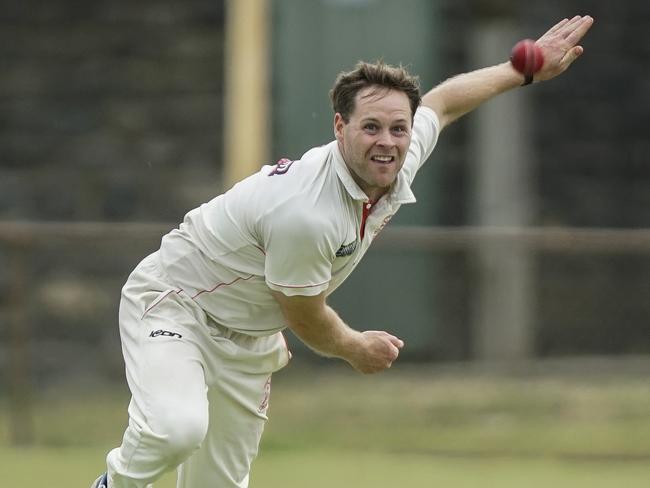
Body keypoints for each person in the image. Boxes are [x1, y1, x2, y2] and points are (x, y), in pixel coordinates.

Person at [91, 15, 594, 488]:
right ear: (339, 127)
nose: (389, 142)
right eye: (371, 127)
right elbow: (306, 317)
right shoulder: (307, 213)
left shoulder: (396, 154)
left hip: (247, 339)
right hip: (177, 305)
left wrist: (519, 72)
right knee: (176, 429)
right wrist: (356, 347)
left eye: (399, 128)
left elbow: (441, 104)